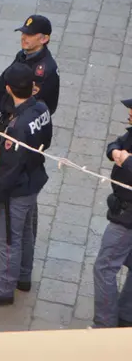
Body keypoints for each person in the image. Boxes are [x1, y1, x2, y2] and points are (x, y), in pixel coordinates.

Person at [0, 63, 52, 307]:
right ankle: (24, 276)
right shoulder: (41, 108)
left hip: (17, 188)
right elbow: (44, 142)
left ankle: (5, 288)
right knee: (25, 232)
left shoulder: (16, 125)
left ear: (8, 88)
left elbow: (9, 172)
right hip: (34, 177)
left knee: (8, 239)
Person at [0, 15, 59, 243]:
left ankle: (19, 239)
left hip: (22, 132)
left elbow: (38, 106)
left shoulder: (45, 70)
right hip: (9, 124)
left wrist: (10, 132)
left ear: (44, 39)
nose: (24, 37)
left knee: (22, 186)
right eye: (23, 32)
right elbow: (0, 88)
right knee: (7, 178)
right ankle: (4, 227)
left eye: (30, 34)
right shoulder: (23, 56)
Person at [92, 98, 132, 328]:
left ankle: (105, 324)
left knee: (105, 267)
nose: (129, 112)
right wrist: (115, 152)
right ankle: (126, 315)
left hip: (127, 217)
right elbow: (116, 143)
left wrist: (126, 160)